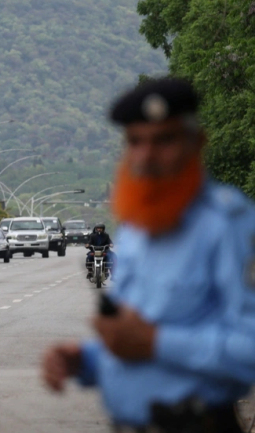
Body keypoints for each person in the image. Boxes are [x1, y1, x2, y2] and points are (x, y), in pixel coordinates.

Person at [41, 78, 255, 432]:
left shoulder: (229, 226)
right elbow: (135, 334)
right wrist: (86, 360)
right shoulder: (138, 229)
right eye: (135, 142)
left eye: (163, 140)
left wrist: (157, 343)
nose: (146, 156)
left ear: (195, 141)